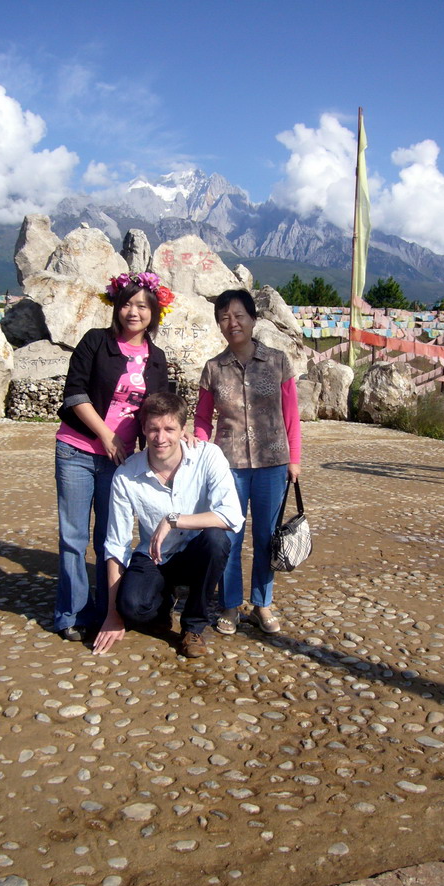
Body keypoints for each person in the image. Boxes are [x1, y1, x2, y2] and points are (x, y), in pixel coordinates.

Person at [53, 271, 174, 641]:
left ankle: (109, 609)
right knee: (73, 536)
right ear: (116, 308)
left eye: (141, 305)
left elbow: (161, 409)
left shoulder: (157, 358)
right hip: (77, 449)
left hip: (121, 461)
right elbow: (74, 394)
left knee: (110, 537)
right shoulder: (95, 342)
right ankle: (71, 613)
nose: (133, 312)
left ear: (154, 311)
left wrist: (180, 438)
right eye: (127, 304)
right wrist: (105, 434)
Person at [93, 392, 244, 658]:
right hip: (154, 555)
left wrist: (174, 520)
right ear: (143, 429)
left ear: (183, 429)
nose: (161, 438)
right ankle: (163, 601)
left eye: (169, 429)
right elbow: (116, 545)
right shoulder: (127, 474)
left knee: (216, 540)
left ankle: (193, 626)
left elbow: (232, 516)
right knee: (132, 608)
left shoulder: (208, 456)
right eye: (153, 429)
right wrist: (112, 614)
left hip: (196, 551)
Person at [194, 288, 301, 635]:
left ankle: (262, 604)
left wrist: (294, 459)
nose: (232, 322)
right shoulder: (213, 369)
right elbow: (202, 419)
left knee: (267, 536)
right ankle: (229, 605)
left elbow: (291, 416)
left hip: (273, 463)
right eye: (224, 317)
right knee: (229, 535)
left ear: (253, 319)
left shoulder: (278, 361)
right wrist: (195, 446)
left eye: (239, 315)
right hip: (228, 466)